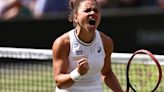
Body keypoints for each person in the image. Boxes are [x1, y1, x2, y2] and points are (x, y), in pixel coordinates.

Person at [52, 0, 123, 92]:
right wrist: (78, 73)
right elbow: (59, 83)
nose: (92, 13)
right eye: (87, 10)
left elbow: (107, 73)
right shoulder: (63, 43)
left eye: (96, 11)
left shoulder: (106, 42)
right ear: (76, 17)